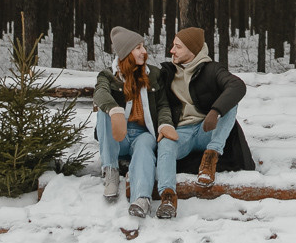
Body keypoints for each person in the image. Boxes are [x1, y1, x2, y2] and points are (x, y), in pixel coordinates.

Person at [153, 27, 256, 219]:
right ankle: (168, 196)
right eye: (173, 46)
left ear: (192, 50)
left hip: (206, 131)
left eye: (177, 47)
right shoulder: (168, 72)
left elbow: (237, 86)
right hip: (181, 132)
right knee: (165, 142)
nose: (171, 51)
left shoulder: (212, 69)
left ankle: (210, 159)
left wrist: (215, 111)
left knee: (230, 105)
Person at [92, 27, 162, 218]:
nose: (144, 52)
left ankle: (142, 198)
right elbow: (100, 92)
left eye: (143, 46)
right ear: (126, 53)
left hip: (143, 133)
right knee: (103, 113)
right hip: (118, 135)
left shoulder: (153, 74)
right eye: (138, 47)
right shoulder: (108, 75)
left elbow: (163, 104)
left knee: (145, 147)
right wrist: (114, 109)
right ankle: (111, 171)